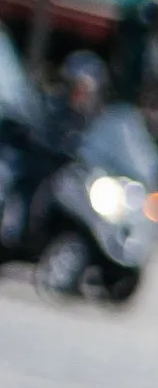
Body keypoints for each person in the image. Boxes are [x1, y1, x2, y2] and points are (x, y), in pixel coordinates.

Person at [1, 51, 106, 247]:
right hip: (35, 167)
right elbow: (35, 125)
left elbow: (97, 146)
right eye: (78, 86)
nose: (81, 93)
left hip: (65, 174)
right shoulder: (53, 104)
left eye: (87, 89)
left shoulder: (92, 120)